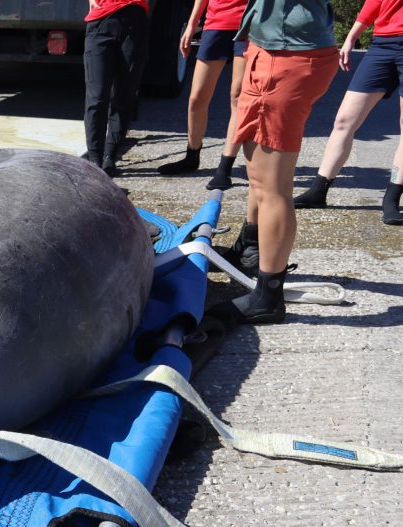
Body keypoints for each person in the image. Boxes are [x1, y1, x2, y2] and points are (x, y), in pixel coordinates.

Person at [209, 0, 339, 325]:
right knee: (261, 177)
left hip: (284, 56)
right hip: (277, 49)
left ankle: (268, 297)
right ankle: (251, 250)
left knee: (272, 187)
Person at [293, 0, 403, 225]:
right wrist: (352, 35)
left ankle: (392, 199)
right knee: (344, 120)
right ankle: (318, 191)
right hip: (382, 44)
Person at [157, 0, 247, 190]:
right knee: (197, 97)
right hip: (216, 23)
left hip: (249, 25)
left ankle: (225, 168)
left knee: (238, 97)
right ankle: (192, 156)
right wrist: (191, 25)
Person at [82, 0, 150, 177]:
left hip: (135, 23)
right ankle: (95, 158)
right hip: (101, 22)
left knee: (124, 95)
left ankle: (109, 156)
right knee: (97, 96)